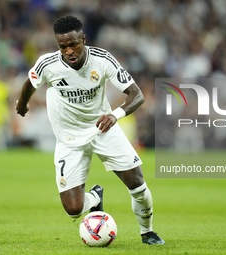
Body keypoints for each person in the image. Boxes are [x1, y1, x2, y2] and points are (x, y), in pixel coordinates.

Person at [16, 15, 164, 245]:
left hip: (103, 127)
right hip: (69, 138)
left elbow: (137, 95)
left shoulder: (103, 60)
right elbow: (30, 83)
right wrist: (21, 103)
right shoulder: (48, 64)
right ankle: (94, 197)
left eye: (73, 44)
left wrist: (115, 115)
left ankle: (148, 232)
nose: (68, 51)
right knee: (73, 209)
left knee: (136, 181)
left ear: (83, 39)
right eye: (62, 47)